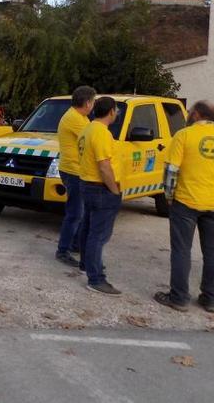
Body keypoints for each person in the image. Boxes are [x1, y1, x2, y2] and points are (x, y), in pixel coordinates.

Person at [154, 101, 214, 313]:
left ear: (195, 114)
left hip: (186, 202)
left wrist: (169, 197)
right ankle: (211, 298)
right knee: (212, 251)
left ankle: (178, 297)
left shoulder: (183, 136)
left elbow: (171, 170)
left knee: (181, 250)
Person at [77, 96, 122, 295]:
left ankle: (87, 264)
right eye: (117, 110)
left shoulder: (87, 129)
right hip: (100, 188)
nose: (117, 114)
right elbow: (104, 166)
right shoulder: (101, 133)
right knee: (99, 235)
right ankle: (96, 279)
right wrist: (114, 190)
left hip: (87, 184)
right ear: (111, 111)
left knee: (88, 228)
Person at [55, 86, 97, 267]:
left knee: (80, 212)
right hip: (73, 171)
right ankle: (62, 250)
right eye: (93, 102)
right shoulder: (74, 119)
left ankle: (74, 244)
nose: (94, 106)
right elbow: (93, 138)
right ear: (87, 102)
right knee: (75, 213)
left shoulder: (81, 117)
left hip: (77, 170)